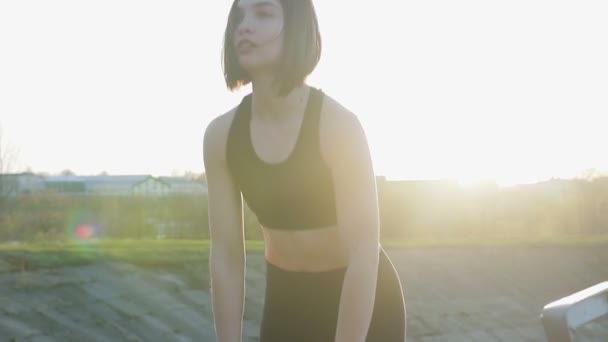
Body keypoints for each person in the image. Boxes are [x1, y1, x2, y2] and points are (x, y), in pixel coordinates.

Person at [203, 0, 407, 341]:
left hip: (361, 298)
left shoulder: (339, 126)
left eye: (263, 13)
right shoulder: (220, 136)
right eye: (239, 16)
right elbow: (226, 255)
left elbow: (364, 251)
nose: (244, 25)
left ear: (298, 28)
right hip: (287, 302)